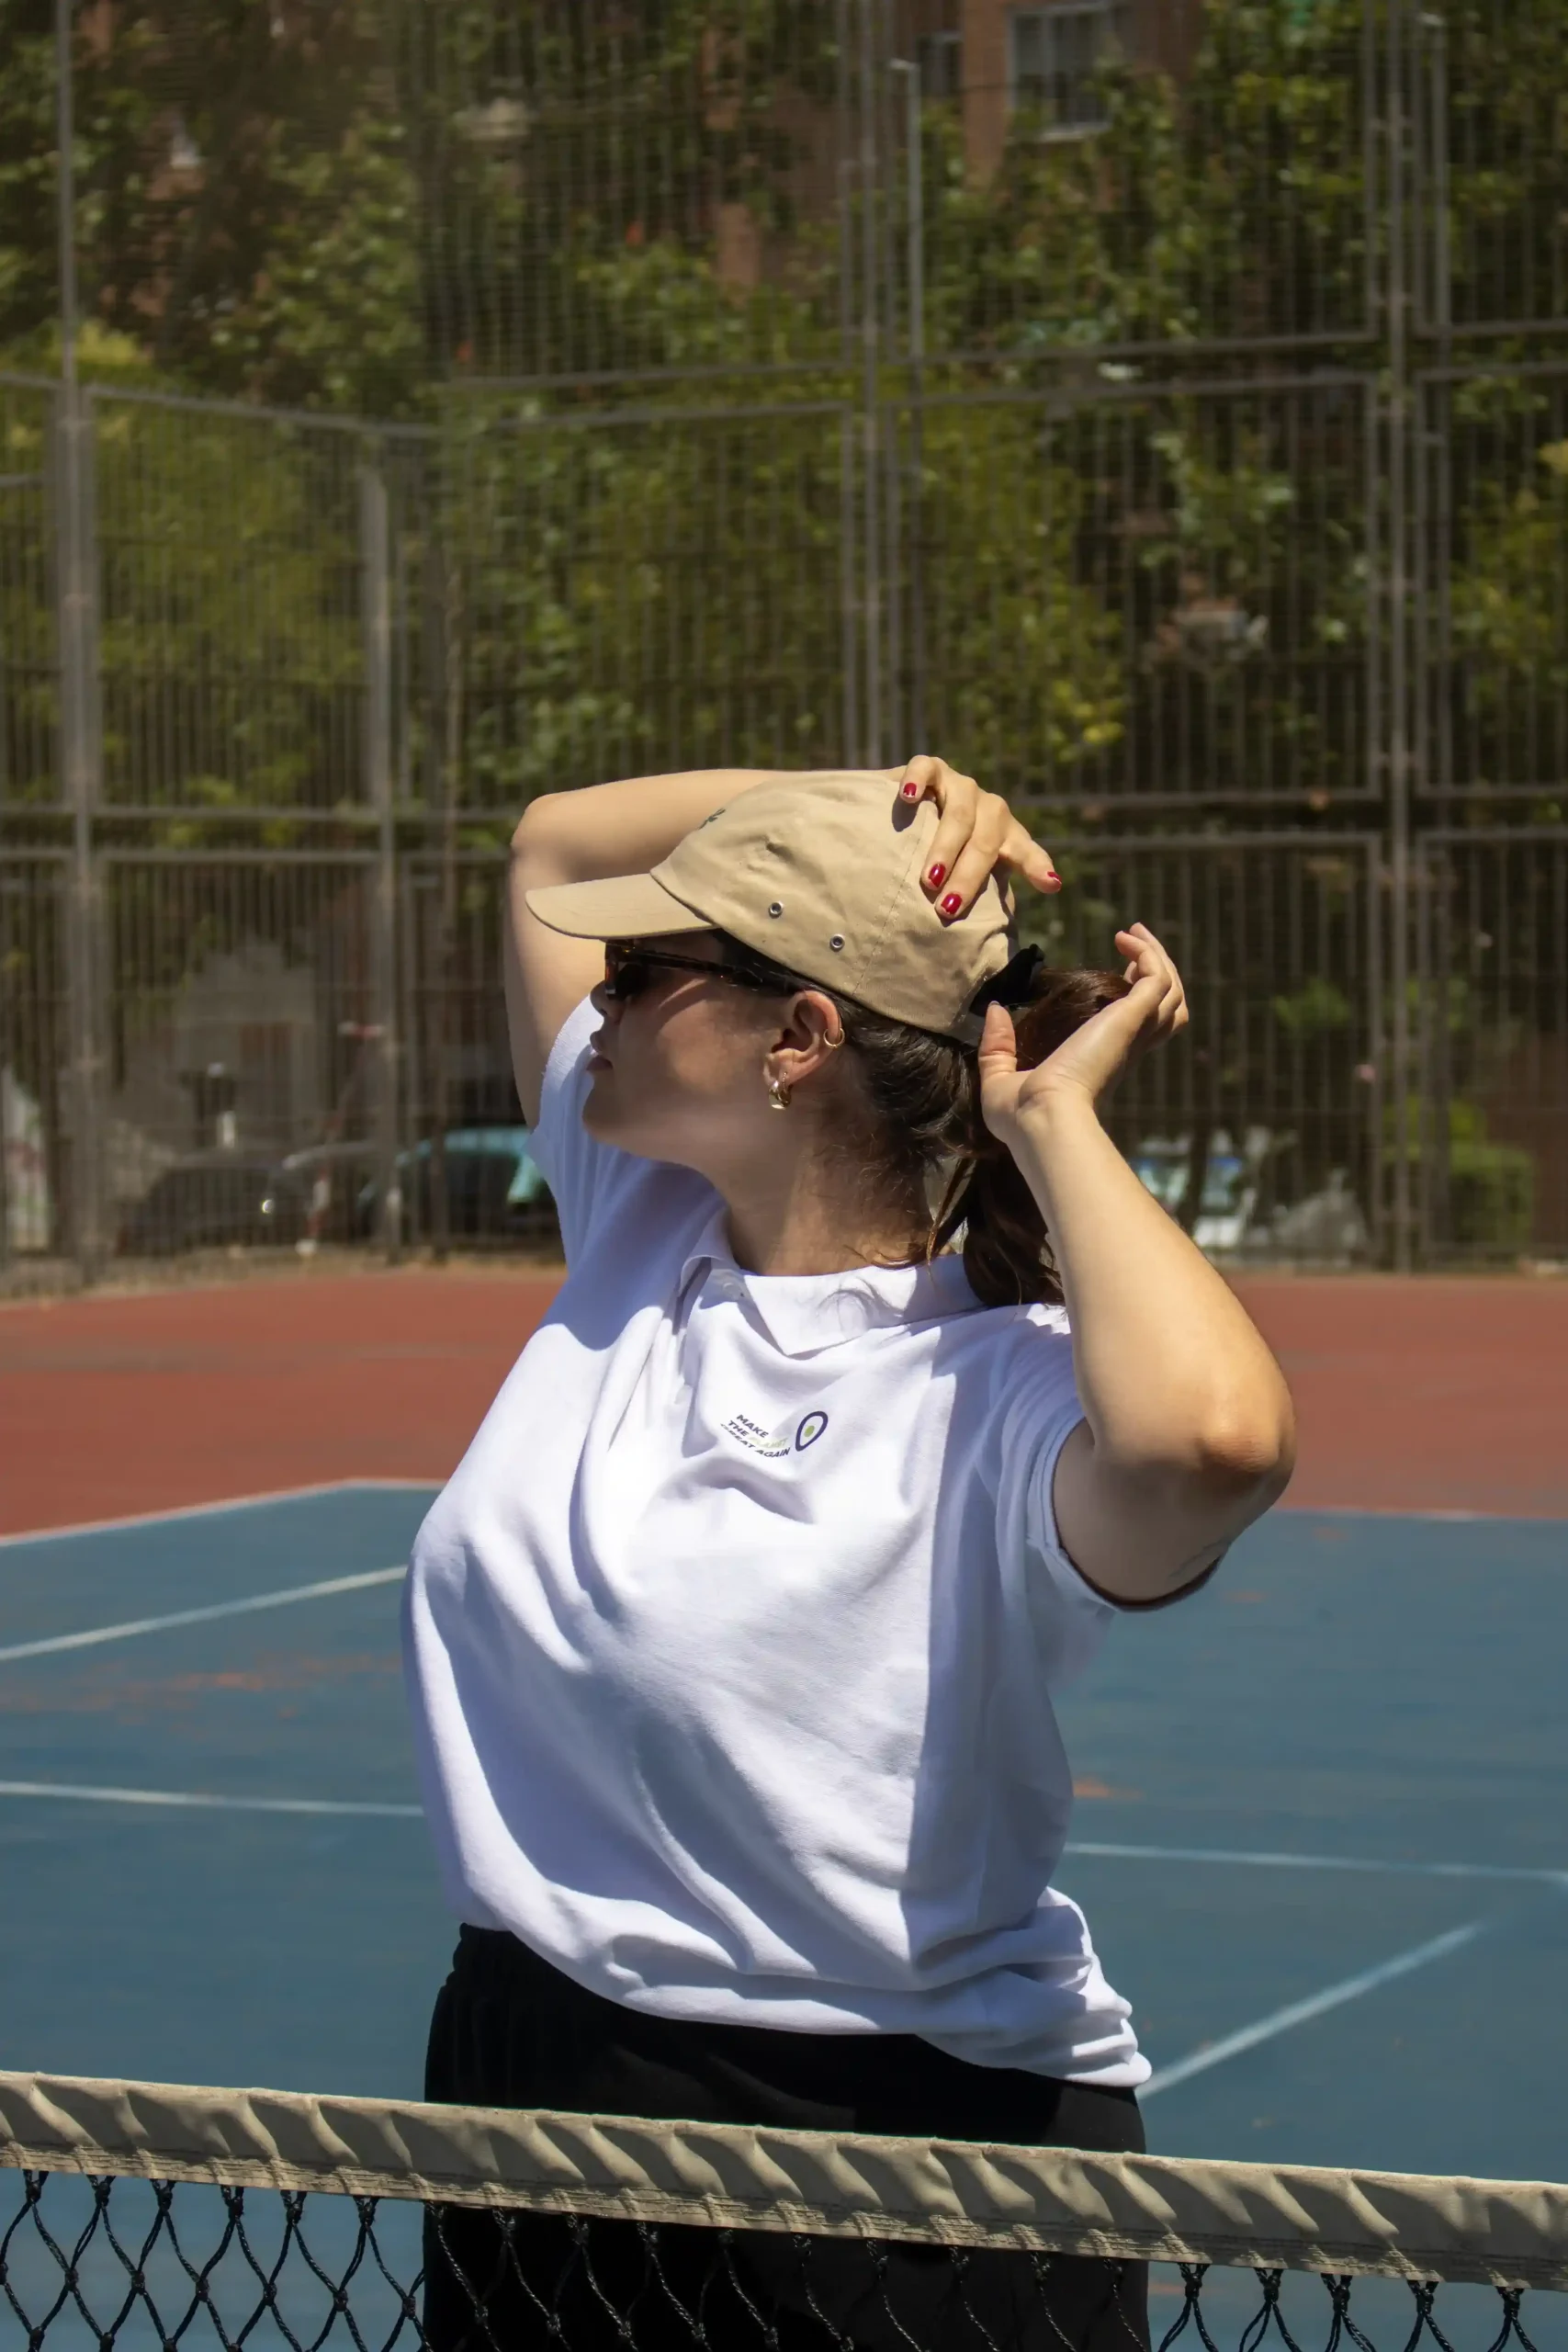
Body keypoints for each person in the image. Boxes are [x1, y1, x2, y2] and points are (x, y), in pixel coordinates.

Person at [402, 759, 1296, 2350]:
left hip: (900, 2162)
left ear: (798, 1043)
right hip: (533, 2100)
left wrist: (1050, 1121)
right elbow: (550, 835)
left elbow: (1209, 1444)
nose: (600, 994)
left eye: (650, 967)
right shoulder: (637, 1217)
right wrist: (881, 784)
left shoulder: (1005, 1388)